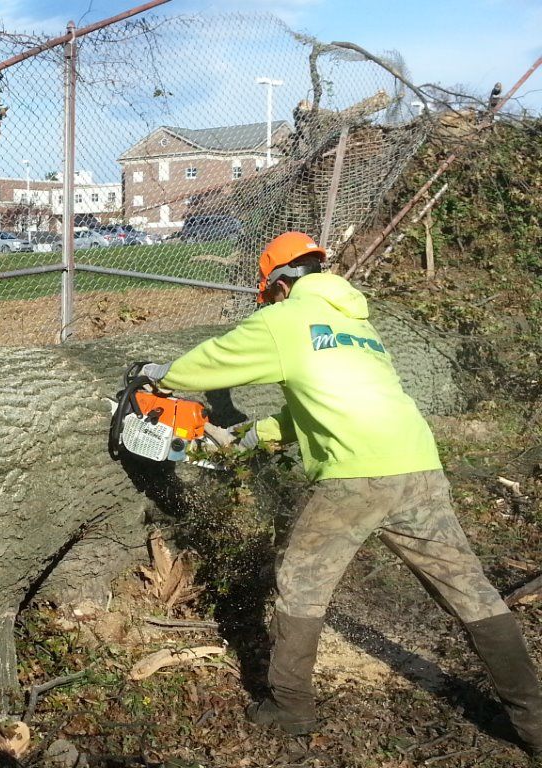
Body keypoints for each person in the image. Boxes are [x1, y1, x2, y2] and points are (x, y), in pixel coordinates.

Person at [138, 231, 542, 756]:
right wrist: (255, 434)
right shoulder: (356, 325)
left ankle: (289, 709)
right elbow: (328, 400)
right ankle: (534, 723)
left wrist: (161, 379)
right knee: (472, 591)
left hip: (355, 478)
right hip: (418, 466)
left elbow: (212, 360)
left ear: (278, 287)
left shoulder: (284, 320)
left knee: (301, 583)